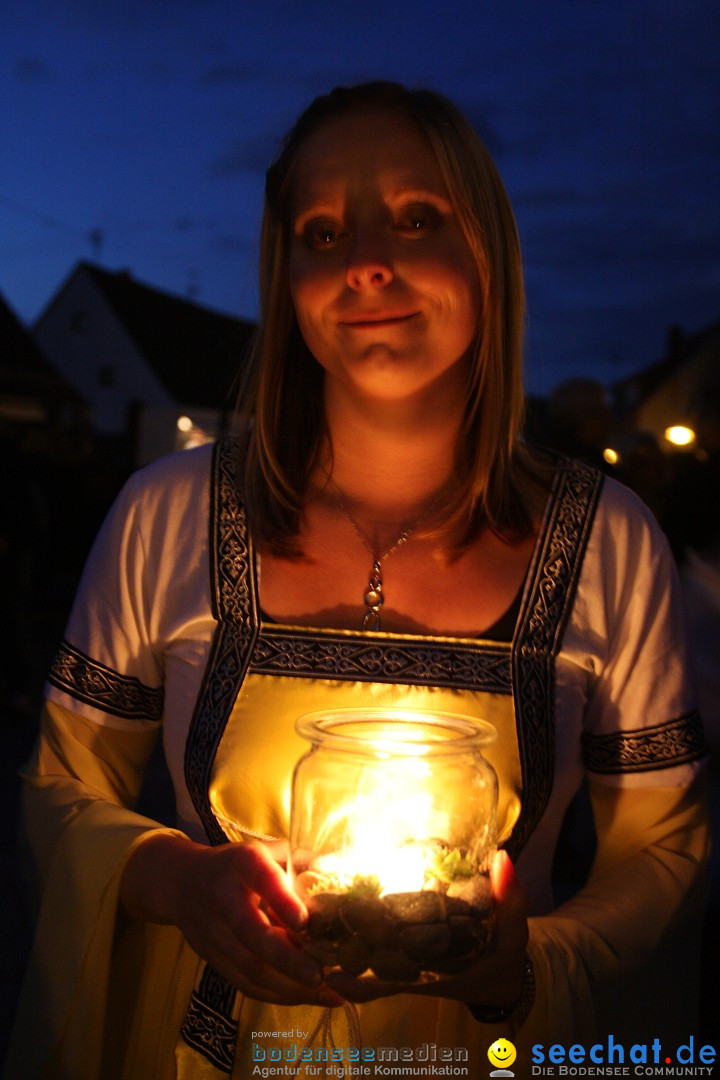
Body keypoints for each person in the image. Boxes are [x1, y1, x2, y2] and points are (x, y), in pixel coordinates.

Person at [5, 82, 708, 1079]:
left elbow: (664, 850)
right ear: (284, 276)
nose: (366, 262)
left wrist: (531, 961)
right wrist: (173, 878)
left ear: (488, 255)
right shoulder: (166, 519)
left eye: (417, 219)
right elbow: (62, 788)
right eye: (322, 231)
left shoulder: (605, 544)